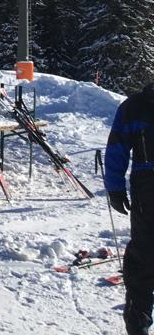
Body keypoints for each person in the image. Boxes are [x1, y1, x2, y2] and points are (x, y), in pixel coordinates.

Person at [105, 82, 154, 335]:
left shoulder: (133, 106)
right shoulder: (134, 107)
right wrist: (114, 187)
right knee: (144, 258)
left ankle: (138, 321)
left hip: (146, 190)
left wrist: (114, 187)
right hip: (148, 190)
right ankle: (138, 323)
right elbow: (117, 147)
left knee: (144, 259)